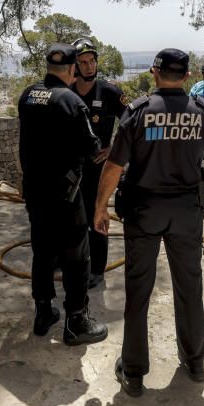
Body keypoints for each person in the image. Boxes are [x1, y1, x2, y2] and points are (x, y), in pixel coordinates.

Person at [94, 48, 204, 397]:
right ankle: (195, 362)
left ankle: (134, 373)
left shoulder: (138, 112)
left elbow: (113, 165)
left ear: (155, 73)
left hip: (144, 210)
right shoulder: (200, 110)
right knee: (189, 286)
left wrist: (99, 208)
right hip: (186, 210)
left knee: (138, 290)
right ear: (186, 77)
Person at [17, 43, 108, 346]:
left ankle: (43, 312)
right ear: (72, 69)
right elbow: (92, 147)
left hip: (35, 191)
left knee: (42, 252)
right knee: (76, 257)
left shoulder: (28, 94)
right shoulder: (70, 100)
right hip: (65, 194)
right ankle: (76, 321)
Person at [70, 37, 126, 289]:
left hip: (98, 170)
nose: (89, 66)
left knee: (97, 215)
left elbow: (132, 122)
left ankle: (97, 269)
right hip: (71, 168)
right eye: (83, 62)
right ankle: (68, 258)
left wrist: (114, 148)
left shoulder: (110, 92)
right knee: (70, 217)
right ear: (75, 65)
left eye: (92, 61)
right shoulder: (66, 91)